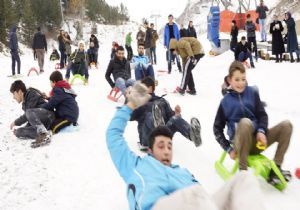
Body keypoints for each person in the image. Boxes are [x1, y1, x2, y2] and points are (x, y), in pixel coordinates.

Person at [106, 82, 266, 210]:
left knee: (244, 179)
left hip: (193, 201)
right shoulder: (136, 166)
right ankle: (156, 124)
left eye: (169, 146)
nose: (167, 151)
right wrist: (131, 105)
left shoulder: (183, 173)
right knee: (193, 195)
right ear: (150, 150)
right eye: (161, 146)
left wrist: (176, 113)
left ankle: (191, 134)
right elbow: (113, 135)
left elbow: (204, 199)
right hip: (159, 203)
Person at [213, 61, 292, 184]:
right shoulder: (225, 102)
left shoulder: (252, 93)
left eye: (243, 79)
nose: (241, 83)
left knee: (287, 126)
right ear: (229, 80)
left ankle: (275, 169)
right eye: (237, 79)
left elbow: (262, 115)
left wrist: (261, 131)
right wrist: (229, 149)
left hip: (256, 142)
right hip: (239, 144)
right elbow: (217, 129)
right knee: (245, 122)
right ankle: (243, 172)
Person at [131, 76, 201, 149]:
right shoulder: (140, 103)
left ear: (150, 88)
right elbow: (130, 116)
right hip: (147, 138)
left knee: (176, 118)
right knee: (150, 116)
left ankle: (192, 135)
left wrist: (177, 114)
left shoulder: (162, 101)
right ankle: (158, 125)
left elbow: (170, 117)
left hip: (163, 135)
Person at [9, 80, 55, 147]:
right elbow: (31, 119)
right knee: (19, 132)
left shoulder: (31, 94)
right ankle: (45, 133)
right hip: (42, 123)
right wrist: (20, 130)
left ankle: (44, 134)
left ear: (19, 92)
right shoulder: (25, 102)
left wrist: (15, 122)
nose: (13, 97)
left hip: (48, 115)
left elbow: (27, 115)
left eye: (14, 94)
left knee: (28, 112)